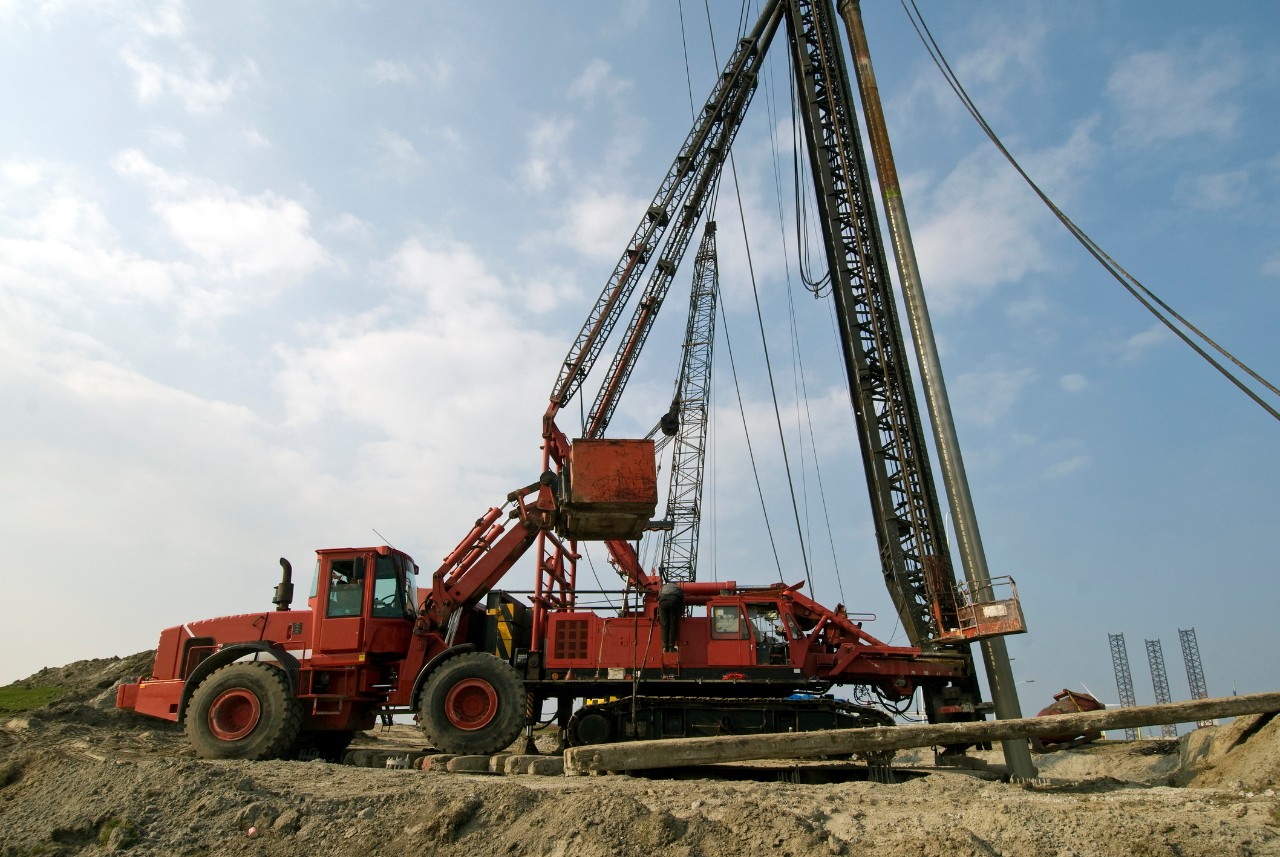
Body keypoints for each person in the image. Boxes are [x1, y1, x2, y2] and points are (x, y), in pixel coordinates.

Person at [657, 581, 684, 653]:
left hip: (663, 603)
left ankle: (665, 647)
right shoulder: (678, 589)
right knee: (673, 624)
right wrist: (681, 613)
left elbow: (658, 599)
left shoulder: (663, 588)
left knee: (664, 624)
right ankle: (671, 647)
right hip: (674, 602)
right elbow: (682, 602)